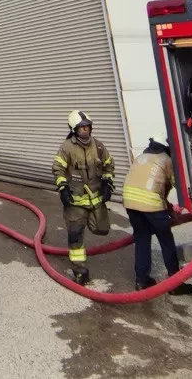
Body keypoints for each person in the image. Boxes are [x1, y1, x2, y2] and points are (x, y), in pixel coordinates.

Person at [122, 138, 192, 295]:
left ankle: (142, 281)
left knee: (142, 239)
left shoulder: (142, 156)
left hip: (129, 202)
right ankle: (175, 284)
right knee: (166, 241)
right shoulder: (167, 159)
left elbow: (155, 186)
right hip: (151, 204)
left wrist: (168, 208)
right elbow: (176, 185)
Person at [53, 110, 115, 285]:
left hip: (96, 200)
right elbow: (58, 169)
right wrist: (63, 188)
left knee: (102, 229)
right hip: (75, 201)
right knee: (75, 235)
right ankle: (80, 271)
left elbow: (109, 165)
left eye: (88, 127)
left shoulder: (99, 147)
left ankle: (90, 223)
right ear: (74, 130)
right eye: (82, 128)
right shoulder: (67, 148)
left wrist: (107, 182)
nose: (86, 130)